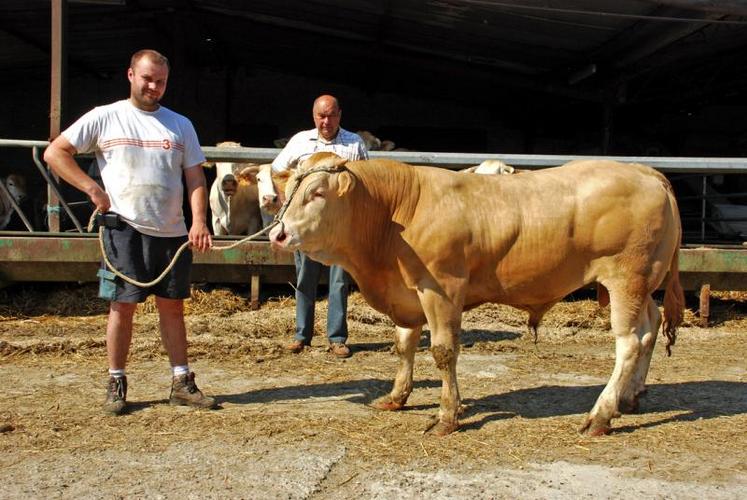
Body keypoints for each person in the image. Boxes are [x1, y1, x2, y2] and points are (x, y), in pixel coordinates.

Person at [43, 49, 215, 415]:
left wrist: (199, 221)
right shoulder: (106, 117)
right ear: (131, 75)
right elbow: (55, 153)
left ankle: (181, 382)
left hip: (171, 231)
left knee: (173, 308)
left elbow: (195, 177)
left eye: (161, 81)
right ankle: (116, 381)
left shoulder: (180, 124)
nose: (154, 86)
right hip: (123, 228)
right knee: (122, 307)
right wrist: (91, 189)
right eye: (148, 78)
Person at [272, 94, 368, 358]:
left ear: (340, 115)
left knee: (338, 281)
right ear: (314, 116)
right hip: (307, 226)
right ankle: (302, 335)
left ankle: (337, 338)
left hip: (339, 228)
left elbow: (365, 182)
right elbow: (277, 170)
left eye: (331, 115)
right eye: (321, 116)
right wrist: (286, 207)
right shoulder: (300, 141)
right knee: (305, 278)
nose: (326, 121)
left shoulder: (354, 143)